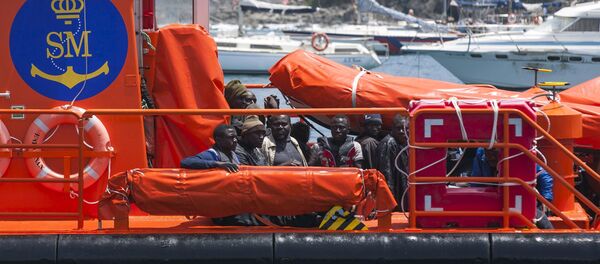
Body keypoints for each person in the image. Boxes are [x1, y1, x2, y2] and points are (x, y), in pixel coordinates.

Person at [470, 147, 554, 229]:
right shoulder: (480, 154)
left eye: (494, 152)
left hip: (519, 198)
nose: (491, 157)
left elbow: (544, 175)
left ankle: (550, 234)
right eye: (488, 151)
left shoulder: (514, 154)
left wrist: (545, 200)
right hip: (494, 198)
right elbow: (476, 181)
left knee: (536, 215)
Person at [375, 115, 409, 209]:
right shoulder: (389, 143)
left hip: (403, 192)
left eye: (405, 129)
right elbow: (386, 173)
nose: (402, 132)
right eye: (399, 129)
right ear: (392, 129)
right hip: (396, 196)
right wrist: (390, 201)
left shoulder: (405, 143)